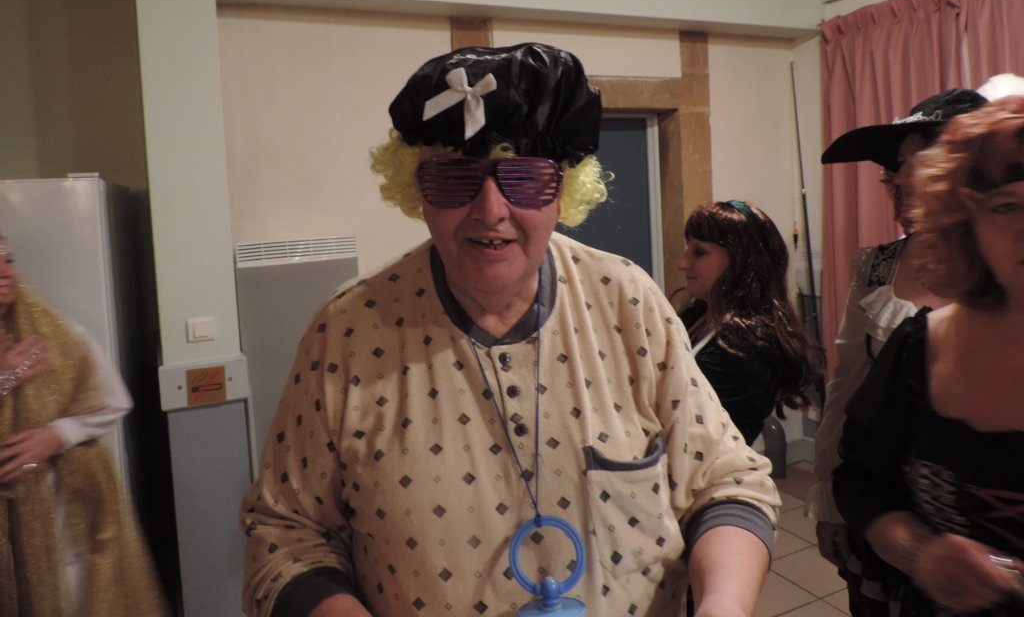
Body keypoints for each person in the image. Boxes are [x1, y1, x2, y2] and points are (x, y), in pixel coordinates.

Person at [241, 42, 780, 617]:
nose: (491, 210)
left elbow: (727, 480)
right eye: (455, 180)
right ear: (416, 192)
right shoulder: (346, 332)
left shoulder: (627, 300)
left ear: (564, 193)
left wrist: (723, 606)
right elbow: (285, 535)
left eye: (525, 181)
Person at [810, 78, 1024, 616]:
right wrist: (920, 553)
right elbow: (852, 419)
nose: (902, 177)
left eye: (917, 159)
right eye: (1005, 206)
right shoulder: (919, 344)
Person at [0, 235, 170, 616]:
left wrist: (55, 436)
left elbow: (113, 400)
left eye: (8, 261)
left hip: (63, 515)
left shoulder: (54, 336)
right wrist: (4, 379)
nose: (6, 274)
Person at [676, 201, 821, 445]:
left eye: (698, 252)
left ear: (742, 261)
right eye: (687, 249)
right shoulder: (699, 318)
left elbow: (700, 434)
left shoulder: (743, 345)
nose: (682, 263)